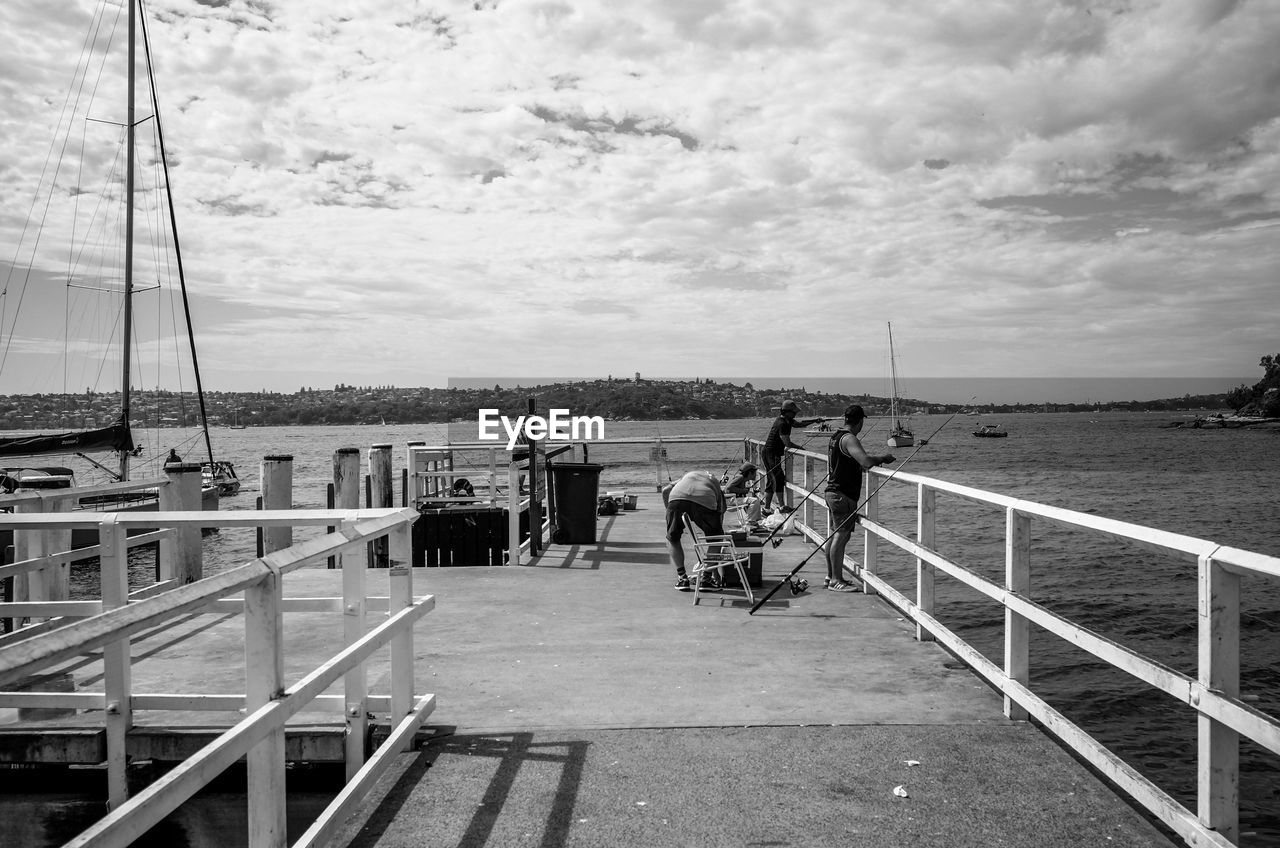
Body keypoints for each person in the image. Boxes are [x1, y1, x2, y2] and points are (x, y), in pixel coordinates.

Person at [823, 404, 895, 592]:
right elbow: (865, 461)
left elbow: (849, 461)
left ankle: (830, 576)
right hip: (842, 495)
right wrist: (883, 458)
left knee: (834, 534)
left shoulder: (835, 436)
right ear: (860, 421)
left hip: (833, 492)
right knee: (841, 535)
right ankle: (836, 580)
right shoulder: (849, 438)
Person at [662, 469, 727, 591]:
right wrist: (715, 537)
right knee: (717, 539)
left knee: (673, 538)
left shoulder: (684, 478)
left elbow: (665, 490)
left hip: (677, 498)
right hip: (705, 497)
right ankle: (706, 579)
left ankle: (682, 578)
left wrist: (669, 513)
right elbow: (721, 511)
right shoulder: (714, 482)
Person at [759, 400, 827, 512]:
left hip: (768, 452)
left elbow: (799, 424)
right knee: (778, 478)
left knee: (771, 480)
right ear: (787, 412)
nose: (795, 414)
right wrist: (800, 449)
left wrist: (815, 421)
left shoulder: (786, 420)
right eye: (793, 412)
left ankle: (766, 509)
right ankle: (782, 506)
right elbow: (787, 443)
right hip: (772, 453)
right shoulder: (783, 423)